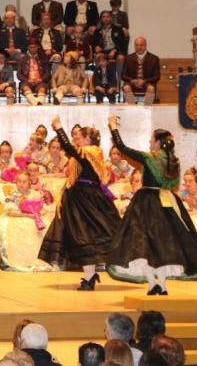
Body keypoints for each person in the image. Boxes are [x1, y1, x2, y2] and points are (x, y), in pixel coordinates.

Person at [106, 116, 197, 294]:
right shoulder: (173, 160)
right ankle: (162, 286)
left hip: (147, 202)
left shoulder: (149, 158)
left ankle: (153, 284)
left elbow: (122, 148)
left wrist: (113, 127)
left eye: (152, 139)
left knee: (143, 246)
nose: (150, 142)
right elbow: (171, 183)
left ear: (158, 143)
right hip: (167, 202)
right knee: (164, 248)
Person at [39, 117, 121, 290]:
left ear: (88, 139)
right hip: (84, 196)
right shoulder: (92, 152)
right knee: (83, 237)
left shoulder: (88, 151)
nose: (78, 139)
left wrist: (59, 128)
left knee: (82, 236)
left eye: (80, 136)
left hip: (83, 198)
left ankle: (91, 276)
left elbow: (69, 149)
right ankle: (90, 276)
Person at [122, 38, 160, 105]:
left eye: (141, 45)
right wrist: (132, 80)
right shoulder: (128, 58)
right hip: (132, 83)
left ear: (145, 45)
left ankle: (147, 110)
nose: (139, 47)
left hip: (147, 83)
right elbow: (123, 75)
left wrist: (144, 81)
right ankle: (132, 108)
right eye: (136, 45)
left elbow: (157, 77)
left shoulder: (154, 58)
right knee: (126, 87)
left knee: (151, 88)